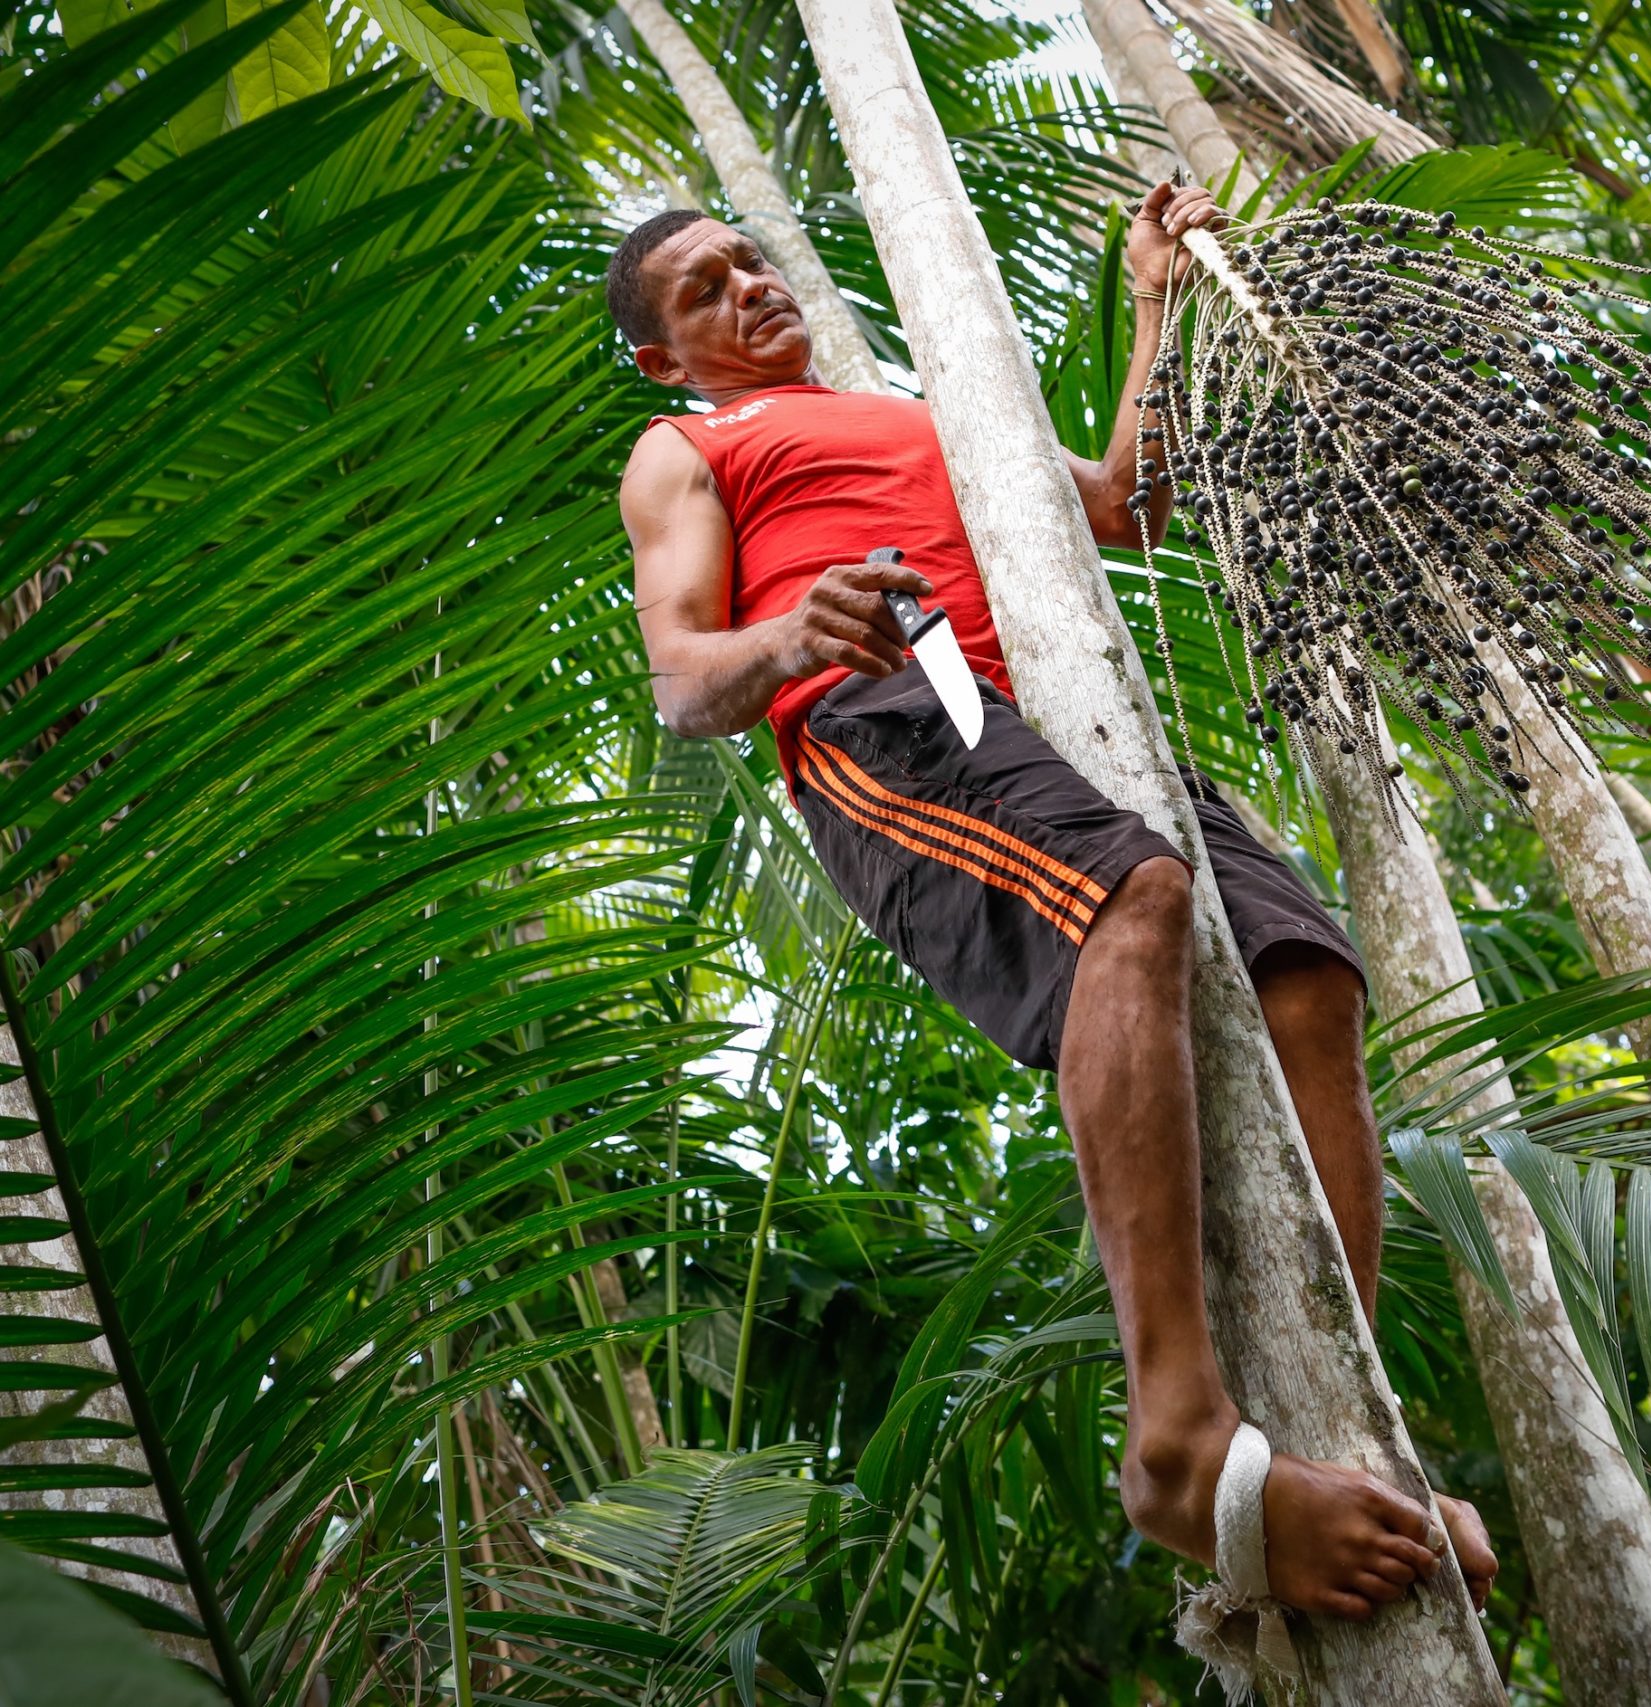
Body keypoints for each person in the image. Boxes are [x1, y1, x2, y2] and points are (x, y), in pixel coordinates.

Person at [611, 181, 1496, 1622]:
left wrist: (1153, 299)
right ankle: (1177, 1436)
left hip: (1071, 727)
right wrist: (792, 629)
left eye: (752, 260)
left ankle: (1347, 1439)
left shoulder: (909, 408)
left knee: (1305, 976)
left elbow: (1122, 504)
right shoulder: (685, 447)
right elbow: (684, 682)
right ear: (666, 356)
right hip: (885, 723)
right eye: (705, 289)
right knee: (1130, 897)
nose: (751, 287)